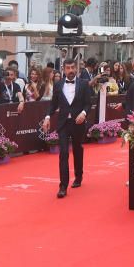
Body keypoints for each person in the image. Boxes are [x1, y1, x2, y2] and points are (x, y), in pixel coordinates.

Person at [44, 59, 93, 199]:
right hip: (63, 123)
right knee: (63, 153)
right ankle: (63, 186)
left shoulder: (83, 84)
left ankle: (78, 176)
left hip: (78, 123)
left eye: (73, 67)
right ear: (63, 69)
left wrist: (83, 114)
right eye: (68, 68)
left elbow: (88, 104)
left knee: (77, 148)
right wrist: (47, 117)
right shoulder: (58, 85)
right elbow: (53, 105)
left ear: (76, 69)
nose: (70, 70)